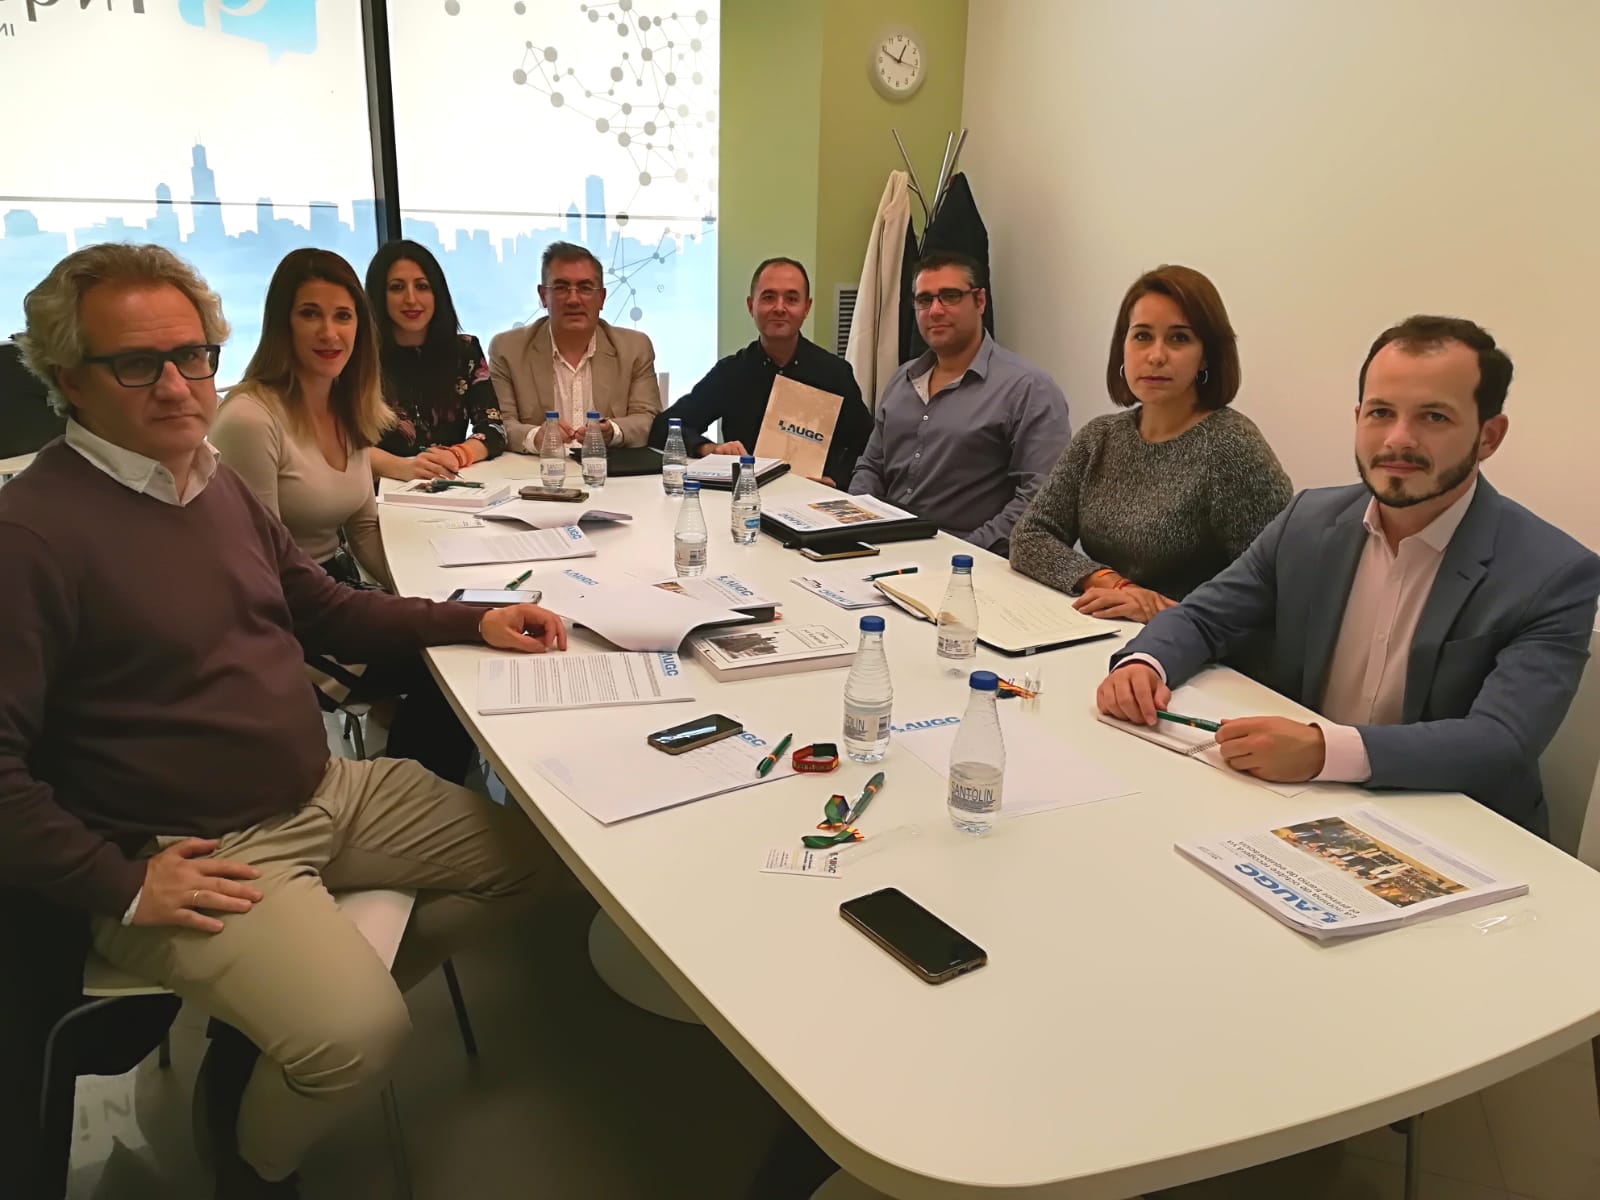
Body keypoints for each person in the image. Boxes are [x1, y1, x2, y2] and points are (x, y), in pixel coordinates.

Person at [1, 242, 568, 1197]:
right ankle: (253, 1164)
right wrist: (121, 884)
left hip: (324, 788)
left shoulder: (206, 478)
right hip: (200, 850)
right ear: (69, 381)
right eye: (139, 363)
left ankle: (264, 1033)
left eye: (194, 356)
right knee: (363, 1037)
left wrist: (476, 617)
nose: (178, 386)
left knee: (545, 864)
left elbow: (325, 608)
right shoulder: (33, 534)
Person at [1095, 315, 1600, 833]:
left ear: (1489, 435)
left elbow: (1500, 741)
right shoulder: (1309, 521)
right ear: (1358, 417)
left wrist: (1322, 751)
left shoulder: (1555, 572)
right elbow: (1204, 618)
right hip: (1294, 807)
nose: (1398, 440)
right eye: (1381, 412)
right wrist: (1144, 664)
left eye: (1434, 417)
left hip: (1457, 831)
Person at [209, 249, 472, 784]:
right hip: (288, 620)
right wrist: (410, 616)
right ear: (282, 323)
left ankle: (421, 786)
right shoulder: (250, 418)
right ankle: (414, 800)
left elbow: (363, 525)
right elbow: (261, 575)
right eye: (310, 313)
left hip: (337, 592)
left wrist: (427, 596)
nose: (329, 332)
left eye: (343, 316)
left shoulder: (347, 404)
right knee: (446, 668)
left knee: (459, 634)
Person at [1011, 265, 1292, 622]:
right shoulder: (1099, 437)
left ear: (1205, 355)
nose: (1156, 355)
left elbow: (1275, 586)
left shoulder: (1231, 446)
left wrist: (1166, 613)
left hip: (1200, 657)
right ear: (1123, 347)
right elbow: (1030, 536)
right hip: (1104, 632)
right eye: (1142, 336)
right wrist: (1114, 585)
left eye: (1178, 338)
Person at [849, 250, 1071, 554]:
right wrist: (856, 524)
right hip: (882, 549)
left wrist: (961, 553)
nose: (935, 311)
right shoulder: (902, 379)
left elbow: (1039, 498)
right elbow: (871, 467)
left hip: (970, 564)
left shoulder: (1028, 389)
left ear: (980, 301)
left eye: (950, 296)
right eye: (924, 300)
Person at [647, 256, 872, 487]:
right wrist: (709, 449)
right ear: (750, 305)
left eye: (792, 299)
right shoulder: (731, 373)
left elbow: (868, 447)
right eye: (768, 297)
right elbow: (664, 427)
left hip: (813, 498)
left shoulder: (834, 373)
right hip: (744, 498)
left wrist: (835, 478)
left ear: (807, 307)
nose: (779, 308)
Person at [488, 241, 661, 450]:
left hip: (608, 472)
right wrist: (535, 436)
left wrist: (612, 431)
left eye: (585, 288)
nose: (573, 299)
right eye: (561, 288)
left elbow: (648, 418)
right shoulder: (508, 349)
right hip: (537, 472)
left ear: (601, 298)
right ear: (543, 296)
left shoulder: (634, 348)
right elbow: (498, 423)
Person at [364, 239, 506, 482]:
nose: (411, 299)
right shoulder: (359, 358)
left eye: (422, 286)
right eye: (397, 287)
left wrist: (457, 455)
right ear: (379, 295)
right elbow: (342, 446)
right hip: (383, 489)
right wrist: (403, 468)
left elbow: (493, 429)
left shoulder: (465, 351)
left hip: (448, 484)